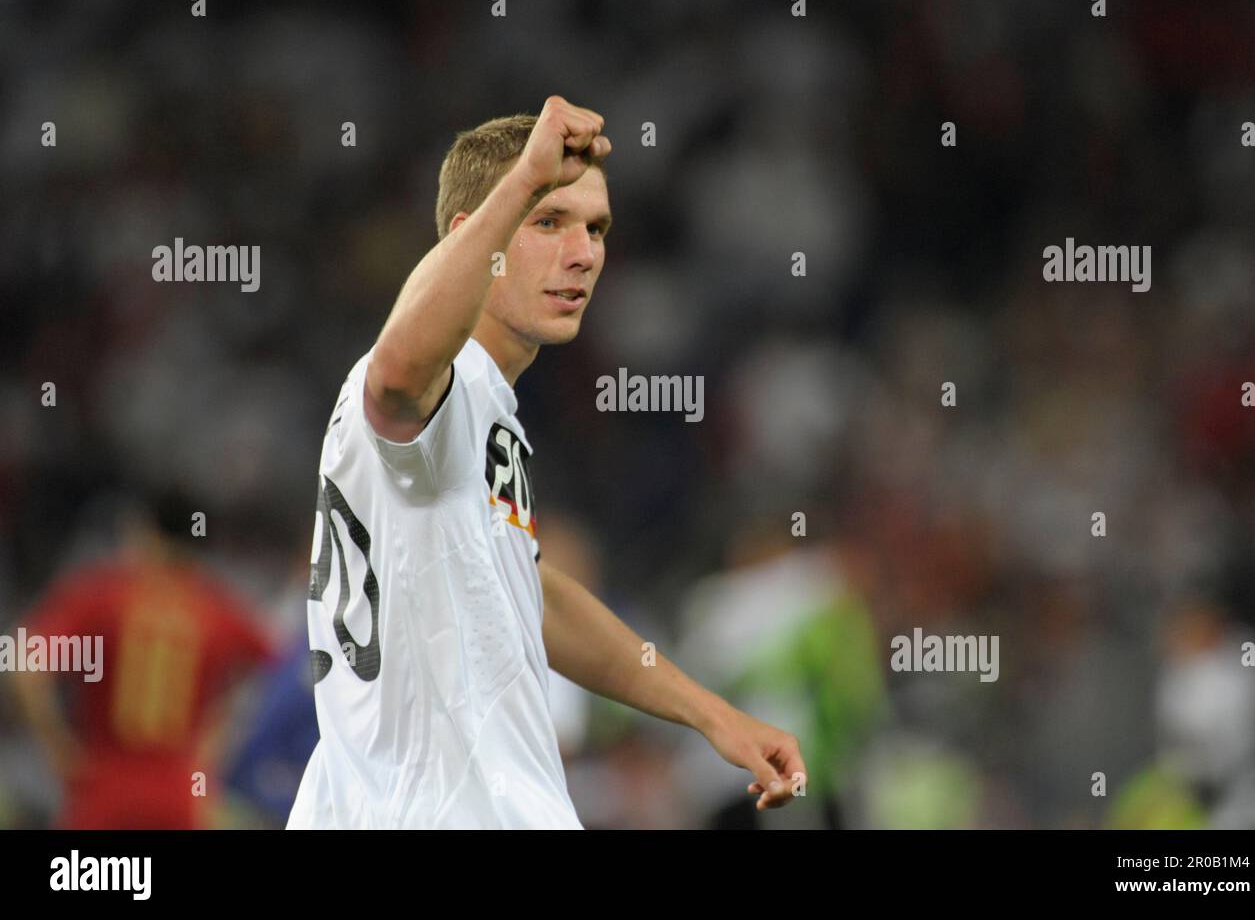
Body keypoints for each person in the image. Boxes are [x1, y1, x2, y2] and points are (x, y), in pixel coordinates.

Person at [288, 96, 806, 828]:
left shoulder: (483, 408)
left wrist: (713, 716)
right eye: (547, 220)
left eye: (595, 228)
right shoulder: (444, 383)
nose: (584, 252)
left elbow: (535, 595)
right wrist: (525, 174)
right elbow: (396, 376)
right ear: (474, 239)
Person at [13, 491, 274, 829]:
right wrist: (219, 733)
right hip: (181, 793)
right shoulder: (217, 607)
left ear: (143, 531)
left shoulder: (101, 596)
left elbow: (26, 667)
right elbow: (279, 672)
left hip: (103, 789)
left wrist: (59, 750)